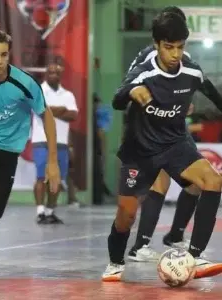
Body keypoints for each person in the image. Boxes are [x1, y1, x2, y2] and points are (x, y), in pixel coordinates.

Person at [102, 12, 222, 282]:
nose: (175, 54)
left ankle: (195, 255)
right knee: (126, 214)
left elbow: (215, 96)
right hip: (140, 149)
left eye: (180, 47)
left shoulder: (191, 71)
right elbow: (117, 100)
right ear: (156, 44)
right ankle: (115, 262)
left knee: (213, 181)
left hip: (175, 143)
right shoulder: (144, 71)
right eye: (169, 47)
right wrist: (132, 92)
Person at [0, 25, 60, 241]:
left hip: (7, 151)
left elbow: (47, 117)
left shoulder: (24, 84)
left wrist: (53, 162)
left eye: (4, 54)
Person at [31, 58, 78, 224]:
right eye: (51, 72)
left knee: (57, 179)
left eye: (57, 72)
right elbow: (40, 112)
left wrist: (50, 110)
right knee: (41, 177)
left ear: (61, 74)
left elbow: (73, 115)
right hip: (41, 141)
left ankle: (50, 212)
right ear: (46, 74)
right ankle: (40, 211)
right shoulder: (38, 92)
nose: (54, 75)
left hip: (62, 144)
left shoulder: (68, 94)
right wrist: (61, 110)